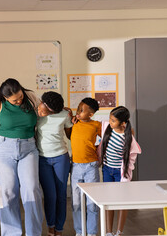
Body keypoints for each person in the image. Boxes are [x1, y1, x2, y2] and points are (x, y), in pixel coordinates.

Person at [0, 78, 43, 236]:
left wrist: (63, 109)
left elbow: (44, 110)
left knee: (32, 189)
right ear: (5, 98)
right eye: (14, 100)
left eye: (20, 96)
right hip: (4, 149)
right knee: (7, 192)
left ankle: (34, 233)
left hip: (29, 148)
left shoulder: (30, 96)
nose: (19, 100)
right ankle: (12, 233)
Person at [99, 106, 141, 236]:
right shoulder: (107, 127)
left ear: (123, 123)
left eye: (113, 120)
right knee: (109, 200)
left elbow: (132, 154)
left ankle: (119, 231)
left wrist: (126, 174)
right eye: (110, 119)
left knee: (122, 201)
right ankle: (108, 231)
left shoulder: (129, 134)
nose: (110, 122)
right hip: (107, 169)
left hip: (120, 172)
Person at [36, 91, 73, 236]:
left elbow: (70, 135)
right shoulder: (36, 115)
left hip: (61, 158)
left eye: (44, 111)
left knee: (61, 195)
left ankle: (59, 229)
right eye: (40, 108)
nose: (41, 112)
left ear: (51, 110)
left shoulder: (64, 115)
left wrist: (74, 118)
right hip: (42, 159)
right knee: (50, 195)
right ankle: (50, 227)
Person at [70, 97, 101, 236]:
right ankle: (79, 231)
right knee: (76, 202)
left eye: (82, 110)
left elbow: (109, 134)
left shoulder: (96, 125)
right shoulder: (74, 123)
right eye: (78, 108)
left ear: (90, 114)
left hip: (91, 167)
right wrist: (70, 112)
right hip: (75, 166)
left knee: (92, 202)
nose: (78, 112)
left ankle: (92, 232)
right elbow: (64, 110)